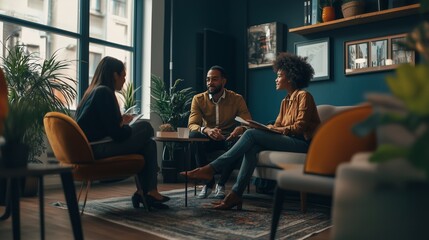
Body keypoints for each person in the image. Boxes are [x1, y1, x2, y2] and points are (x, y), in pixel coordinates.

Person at [181, 52, 320, 210]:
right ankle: (235, 195)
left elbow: (299, 128)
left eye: (279, 75)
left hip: (302, 143)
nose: (276, 79)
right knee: (252, 147)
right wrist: (267, 128)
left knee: (250, 133)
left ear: (290, 78)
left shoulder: (304, 96)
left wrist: (272, 129)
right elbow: (278, 124)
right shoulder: (285, 101)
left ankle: (211, 169)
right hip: (289, 140)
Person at [75, 56, 169, 209]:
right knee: (145, 127)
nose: (125, 80)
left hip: (92, 148)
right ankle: (149, 192)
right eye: (123, 76)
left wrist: (120, 122)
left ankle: (145, 192)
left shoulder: (91, 92)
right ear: (114, 75)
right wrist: (126, 127)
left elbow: (103, 126)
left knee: (149, 144)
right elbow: (118, 135)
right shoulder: (104, 92)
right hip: (97, 149)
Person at [188, 65, 252, 199]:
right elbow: (192, 124)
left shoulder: (237, 99)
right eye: (208, 80)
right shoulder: (198, 99)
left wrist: (240, 128)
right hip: (208, 138)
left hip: (228, 137)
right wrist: (206, 130)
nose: (210, 83)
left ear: (223, 81)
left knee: (240, 141)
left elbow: (247, 123)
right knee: (194, 135)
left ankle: (221, 184)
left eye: (214, 79)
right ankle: (208, 182)